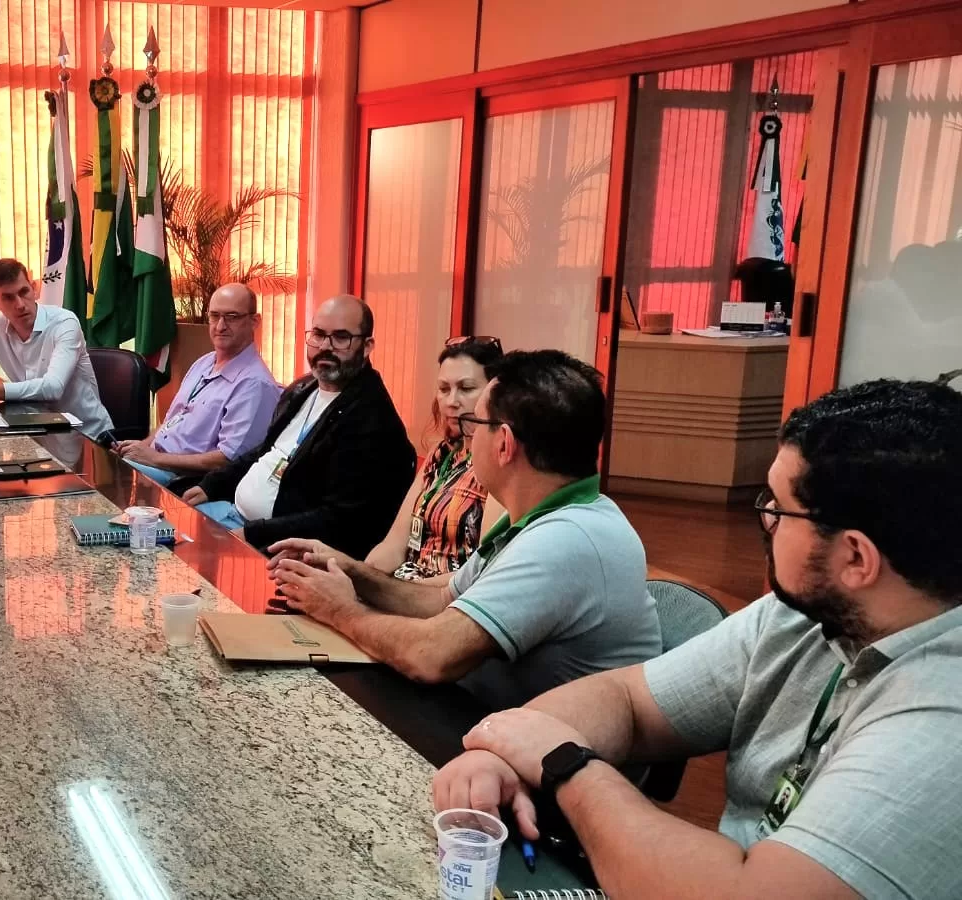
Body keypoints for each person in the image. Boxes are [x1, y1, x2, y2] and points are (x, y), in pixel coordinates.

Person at [435, 380, 962, 900]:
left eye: (778, 509)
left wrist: (564, 766)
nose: (765, 520)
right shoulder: (805, 617)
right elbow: (629, 699)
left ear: (855, 558)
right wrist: (506, 755)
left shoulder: (940, 722)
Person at [271, 350, 661, 709]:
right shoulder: (545, 515)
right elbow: (442, 599)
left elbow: (431, 656)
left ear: (504, 444)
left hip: (538, 746)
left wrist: (340, 610)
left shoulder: (565, 540)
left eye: (475, 424)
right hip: (492, 716)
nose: (466, 436)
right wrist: (351, 571)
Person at [182, 295, 416, 557]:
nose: (325, 347)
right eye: (319, 335)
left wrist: (252, 534)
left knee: (181, 558)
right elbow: (265, 451)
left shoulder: (372, 421)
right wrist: (211, 485)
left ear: (367, 345)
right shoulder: (303, 388)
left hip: (279, 548)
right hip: (233, 514)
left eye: (341, 338)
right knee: (163, 529)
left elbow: (340, 519)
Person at [267, 336, 506, 584]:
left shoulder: (499, 464)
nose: (451, 401)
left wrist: (384, 592)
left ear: (493, 394)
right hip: (397, 588)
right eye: (444, 389)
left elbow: (480, 575)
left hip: (437, 597)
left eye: (466, 388)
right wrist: (351, 578)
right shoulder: (441, 454)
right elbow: (392, 547)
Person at [112, 283, 281, 487]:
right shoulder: (204, 362)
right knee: (98, 462)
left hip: (179, 479)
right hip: (155, 462)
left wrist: (153, 459)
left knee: (106, 478)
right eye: (215, 316)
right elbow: (171, 422)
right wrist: (140, 448)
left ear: (254, 321)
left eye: (232, 317)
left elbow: (227, 460)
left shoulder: (255, 385)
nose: (220, 326)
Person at [0, 258, 115, 440]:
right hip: (39, 431)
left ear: (34, 289)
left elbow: (53, 388)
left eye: (24, 292)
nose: (19, 304)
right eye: (8, 297)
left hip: (88, 436)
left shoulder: (64, 323)